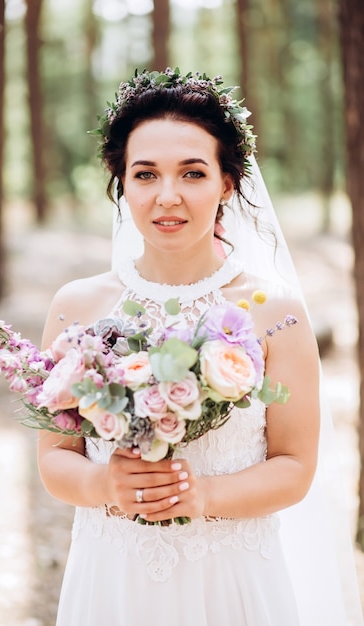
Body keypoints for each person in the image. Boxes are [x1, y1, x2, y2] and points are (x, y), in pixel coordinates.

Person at [37, 69, 362, 625]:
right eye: (145, 174)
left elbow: (294, 465)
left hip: (230, 581)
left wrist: (203, 497)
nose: (168, 196)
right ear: (122, 183)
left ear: (227, 183)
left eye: (192, 172)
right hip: (114, 577)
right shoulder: (77, 307)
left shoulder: (274, 312)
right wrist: (105, 483)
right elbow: (54, 460)